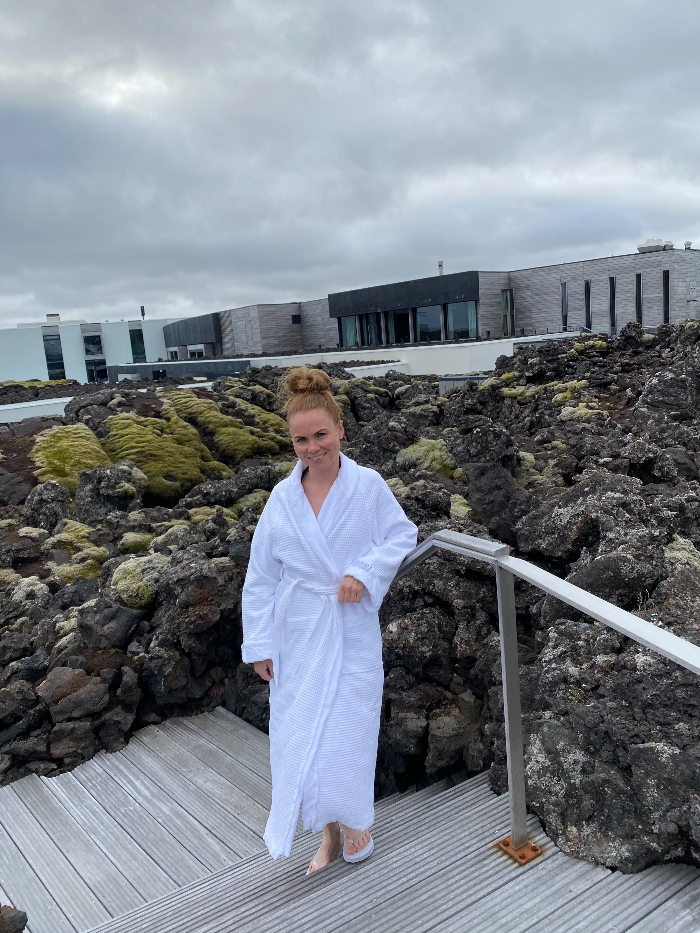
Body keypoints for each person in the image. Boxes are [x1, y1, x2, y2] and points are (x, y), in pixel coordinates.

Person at [241, 366, 417, 874]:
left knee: (347, 729)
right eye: (301, 439)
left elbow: (401, 536)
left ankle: (354, 819)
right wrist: (260, 644)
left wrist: (363, 570)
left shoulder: (368, 487)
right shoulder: (280, 501)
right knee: (303, 734)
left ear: (340, 429)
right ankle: (327, 835)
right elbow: (260, 577)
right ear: (291, 441)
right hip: (297, 632)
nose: (312, 447)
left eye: (321, 435)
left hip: (348, 631)